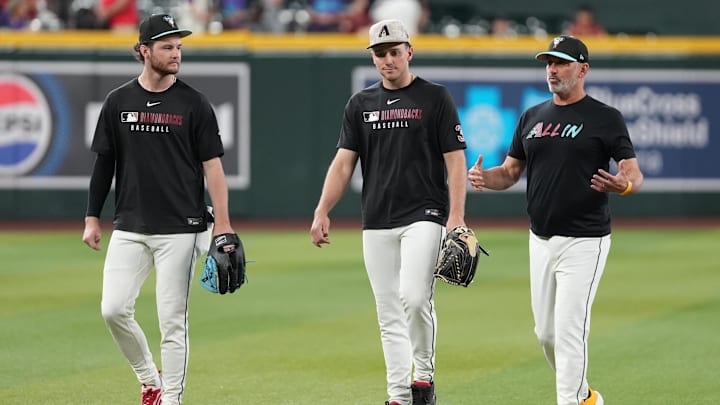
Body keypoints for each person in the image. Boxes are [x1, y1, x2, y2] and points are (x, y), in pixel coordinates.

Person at [468, 35, 643, 405]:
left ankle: (569, 401)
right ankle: (585, 398)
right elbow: (511, 171)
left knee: (567, 332)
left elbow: (632, 171)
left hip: (585, 240)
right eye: (549, 62)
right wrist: (487, 178)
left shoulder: (605, 117)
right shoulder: (532, 117)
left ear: (583, 69)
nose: (552, 69)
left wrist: (624, 185)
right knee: (545, 333)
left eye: (562, 62)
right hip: (540, 240)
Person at [81, 13, 238, 405]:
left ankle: (171, 399)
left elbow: (213, 167)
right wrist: (91, 217)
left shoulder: (194, 103)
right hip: (130, 225)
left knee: (172, 322)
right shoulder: (118, 101)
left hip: (181, 229)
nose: (175, 53)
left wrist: (224, 225)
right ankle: (149, 379)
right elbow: (104, 163)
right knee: (113, 309)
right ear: (143, 51)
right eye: (167, 46)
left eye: (179, 46)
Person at [310, 19, 468, 405]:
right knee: (388, 311)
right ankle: (398, 395)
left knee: (414, 297)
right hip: (377, 218)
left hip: (425, 214)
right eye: (380, 53)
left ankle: (424, 377)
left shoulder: (435, 98)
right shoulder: (360, 104)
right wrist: (322, 210)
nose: (387, 59)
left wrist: (457, 216)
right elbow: (344, 163)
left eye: (394, 51)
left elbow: (456, 162)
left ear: (409, 52)